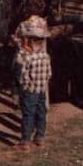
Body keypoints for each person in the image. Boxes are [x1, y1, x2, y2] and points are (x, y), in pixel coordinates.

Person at [12, 15, 52, 151]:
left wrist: (22, 87)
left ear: (27, 41)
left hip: (29, 90)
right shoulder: (45, 56)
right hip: (41, 89)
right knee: (41, 112)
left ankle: (25, 141)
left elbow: (22, 76)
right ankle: (40, 137)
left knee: (28, 114)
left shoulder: (25, 56)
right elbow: (49, 74)